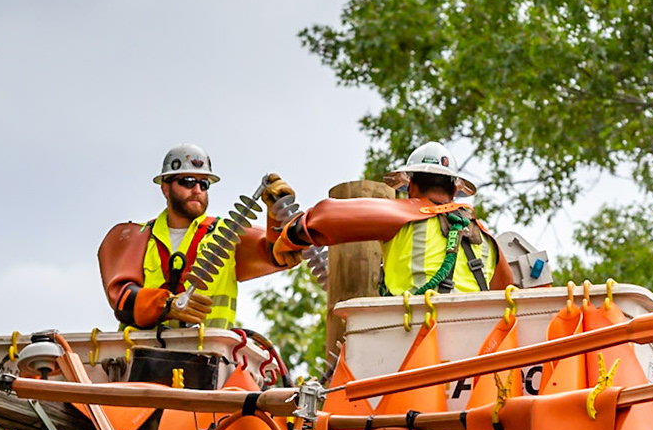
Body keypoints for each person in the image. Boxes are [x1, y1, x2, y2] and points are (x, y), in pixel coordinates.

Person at [97, 143, 296, 329]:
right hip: (140, 352)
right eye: (188, 182)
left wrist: (278, 215)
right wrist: (166, 305)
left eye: (204, 184)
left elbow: (279, 252)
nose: (197, 190)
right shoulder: (137, 237)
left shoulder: (227, 234)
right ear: (165, 188)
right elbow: (122, 299)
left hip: (209, 352)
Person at [271, 141, 512, 293]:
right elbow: (509, 294)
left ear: (411, 185)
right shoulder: (485, 238)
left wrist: (291, 236)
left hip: (414, 337)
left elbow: (325, 217)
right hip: (476, 349)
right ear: (455, 188)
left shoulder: (405, 214)